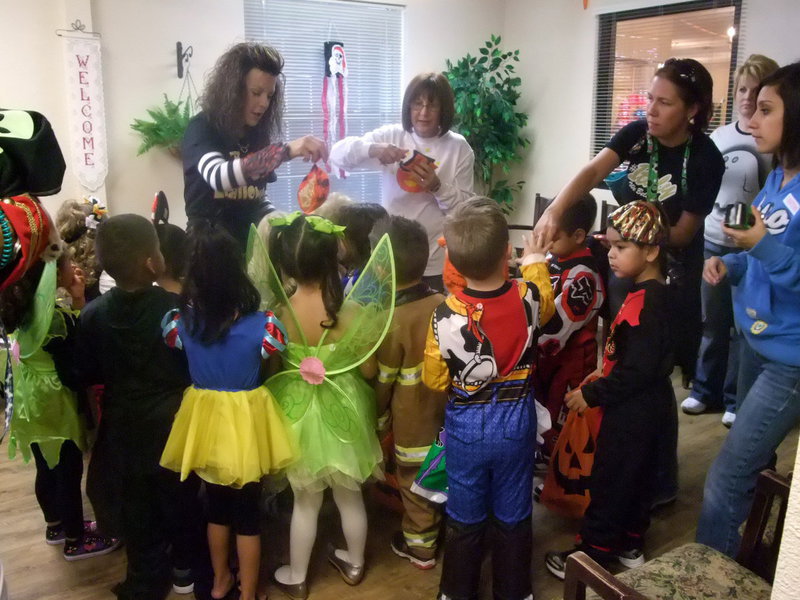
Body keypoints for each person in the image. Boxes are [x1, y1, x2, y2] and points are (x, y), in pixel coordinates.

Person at [535, 57, 725, 505]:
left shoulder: (706, 159)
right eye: (650, 99)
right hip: (626, 262)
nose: (651, 111)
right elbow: (592, 173)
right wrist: (554, 210)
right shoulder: (638, 134)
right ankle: (615, 461)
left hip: (669, 275)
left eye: (665, 103)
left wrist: (629, 238)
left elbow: (683, 233)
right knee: (619, 363)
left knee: (652, 375)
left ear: (692, 110)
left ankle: (659, 482)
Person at [423, 197, 554, 600]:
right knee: (514, 511)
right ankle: (515, 592)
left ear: (454, 262)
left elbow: (433, 379)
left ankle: (455, 592)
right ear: (506, 254)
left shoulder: (444, 315)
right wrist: (534, 260)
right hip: (517, 424)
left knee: (464, 513)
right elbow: (547, 303)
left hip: (467, 429)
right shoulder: (529, 297)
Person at [159, 221, 296, 600]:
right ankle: (249, 592)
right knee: (248, 515)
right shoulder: (264, 326)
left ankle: (220, 581)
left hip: (204, 422)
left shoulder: (181, 325)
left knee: (216, 508)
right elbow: (271, 364)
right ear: (238, 271)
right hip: (248, 424)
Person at [696, 62, 800, 557]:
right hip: (757, 342)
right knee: (755, 464)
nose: (751, 121)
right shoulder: (778, 175)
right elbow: (763, 253)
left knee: (726, 478)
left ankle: (708, 581)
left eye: (766, 110)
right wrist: (732, 263)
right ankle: (753, 558)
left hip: (789, 360)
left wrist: (756, 244)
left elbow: (781, 257)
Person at [262, 212, 395, 599]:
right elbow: (368, 369)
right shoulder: (350, 312)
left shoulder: (279, 312)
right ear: (331, 259)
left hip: (297, 415)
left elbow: (273, 366)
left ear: (286, 262)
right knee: (349, 495)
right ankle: (354, 563)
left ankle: (297, 575)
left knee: (305, 501)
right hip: (345, 414)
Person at [544, 201, 674, 579]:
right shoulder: (651, 292)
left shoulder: (647, 304)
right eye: (610, 246)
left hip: (632, 409)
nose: (611, 255)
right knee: (637, 476)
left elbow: (638, 370)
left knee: (612, 478)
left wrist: (593, 393)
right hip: (650, 403)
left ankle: (594, 556)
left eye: (621, 247)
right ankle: (631, 543)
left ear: (651, 251)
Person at [76, 215, 201, 600]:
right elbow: (193, 362)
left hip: (122, 426)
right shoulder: (176, 308)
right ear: (152, 262)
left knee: (136, 504)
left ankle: (145, 576)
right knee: (180, 496)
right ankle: (185, 569)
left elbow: (86, 371)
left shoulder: (92, 314)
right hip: (174, 421)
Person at [681, 54, 779, 427]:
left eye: (756, 92)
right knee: (712, 322)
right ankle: (704, 390)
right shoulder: (718, 138)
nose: (747, 98)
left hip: (752, 248)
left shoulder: (774, 143)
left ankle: (735, 399)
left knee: (743, 327)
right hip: (713, 241)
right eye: (742, 90)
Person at [1, 253, 119, 560]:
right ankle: (76, 540)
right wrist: (79, 301)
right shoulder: (56, 319)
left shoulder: (23, 311)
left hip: (30, 397)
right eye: (67, 264)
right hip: (54, 400)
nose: (74, 267)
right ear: (51, 275)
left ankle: (55, 525)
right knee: (68, 468)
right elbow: (83, 346)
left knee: (45, 464)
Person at [329, 72, 475, 292]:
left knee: (428, 312)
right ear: (408, 106)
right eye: (417, 104)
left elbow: (465, 211)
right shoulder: (392, 135)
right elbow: (337, 155)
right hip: (388, 256)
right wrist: (373, 149)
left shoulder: (459, 148)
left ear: (444, 109)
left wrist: (437, 187)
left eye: (432, 105)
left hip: (432, 260)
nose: (423, 112)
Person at [182, 42, 327, 248]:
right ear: (232, 90)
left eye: (269, 95)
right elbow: (218, 177)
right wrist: (284, 151)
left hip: (249, 247)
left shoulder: (257, 134)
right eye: (256, 93)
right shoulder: (202, 127)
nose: (264, 103)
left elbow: (255, 196)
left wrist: (282, 223)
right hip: (209, 251)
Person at [371, 215, 446, 569]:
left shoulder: (392, 319)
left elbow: (384, 379)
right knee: (440, 472)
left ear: (380, 268)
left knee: (414, 483)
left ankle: (421, 546)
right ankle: (442, 528)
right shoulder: (443, 302)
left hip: (412, 420)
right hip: (446, 414)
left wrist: (379, 417)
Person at [533, 193, 605, 458]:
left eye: (554, 236)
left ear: (578, 236)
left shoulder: (583, 276)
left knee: (562, 416)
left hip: (570, 360)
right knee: (541, 411)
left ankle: (560, 469)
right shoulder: (555, 260)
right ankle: (543, 456)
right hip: (546, 358)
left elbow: (557, 328)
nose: (546, 241)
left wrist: (524, 342)